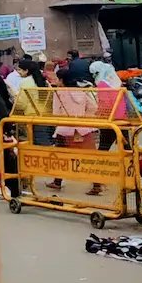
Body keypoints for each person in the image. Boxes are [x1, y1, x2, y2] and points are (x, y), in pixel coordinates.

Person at [50, 65, 100, 195]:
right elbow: (93, 107)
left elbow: (55, 112)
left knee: (61, 156)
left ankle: (57, 181)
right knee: (90, 159)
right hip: (83, 129)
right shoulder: (82, 91)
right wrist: (84, 119)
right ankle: (97, 184)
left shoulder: (58, 92)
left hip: (64, 129)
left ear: (62, 80)